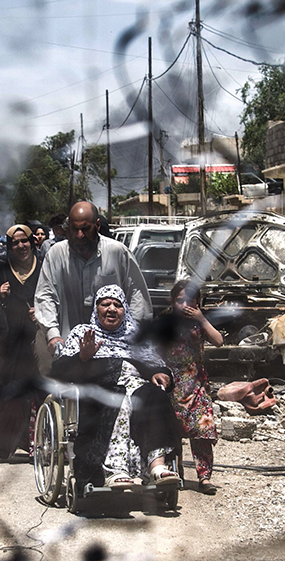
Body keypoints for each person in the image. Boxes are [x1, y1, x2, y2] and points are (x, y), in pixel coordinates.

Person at [51, 285, 183, 491]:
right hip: (100, 389)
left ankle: (157, 466)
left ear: (125, 311)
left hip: (136, 384)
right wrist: (83, 357)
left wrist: (159, 373)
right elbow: (59, 372)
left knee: (155, 395)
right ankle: (115, 469)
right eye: (105, 304)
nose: (112, 309)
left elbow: (155, 363)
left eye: (118, 305)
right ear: (96, 309)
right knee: (118, 401)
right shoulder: (82, 333)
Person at [36, 201, 152, 355]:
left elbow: (137, 296)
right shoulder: (56, 254)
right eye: (74, 229)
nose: (79, 235)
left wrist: (132, 337)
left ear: (97, 225)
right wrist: (52, 334)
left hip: (113, 350)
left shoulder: (117, 252)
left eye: (85, 229)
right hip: (66, 348)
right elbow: (45, 296)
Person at [0, 224, 43, 460]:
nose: (21, 246)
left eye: (25, 241)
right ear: (9, 246)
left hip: (36, 339)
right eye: (16, 242)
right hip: (7, 342)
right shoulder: (2, 271)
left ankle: (38, 443)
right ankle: (5, 442)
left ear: (32, 242)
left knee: (37, 391)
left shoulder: (44, 267)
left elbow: (56, 295)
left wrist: (41, 312)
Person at [161, 279, 224, 495]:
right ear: (172, 301)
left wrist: (202, 319)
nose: (184, 305)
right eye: (180, 301)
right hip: (171, 382)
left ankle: (204, 477)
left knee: (203, 430)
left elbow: (219, 341)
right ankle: (174, 472)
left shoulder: (200, 322)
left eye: (190, 301)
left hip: (196, 383)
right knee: (172, 430)